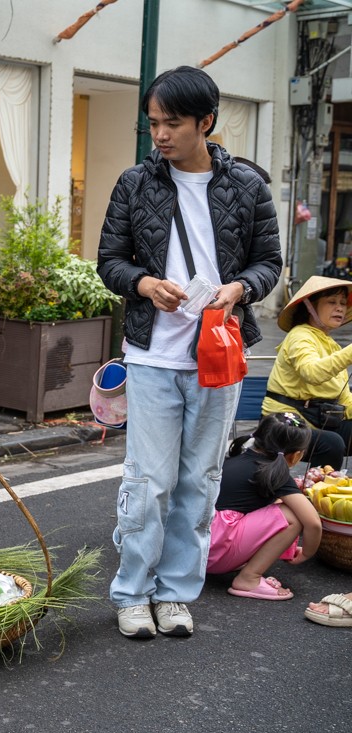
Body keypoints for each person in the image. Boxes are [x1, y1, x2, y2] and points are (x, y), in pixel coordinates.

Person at [96, 66, 283, 639]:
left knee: (198, 481)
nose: (160, 135)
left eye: (172, 123)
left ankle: (176, 592)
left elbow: (268, 262)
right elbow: (110, 260)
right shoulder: (135, 183)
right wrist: (145, 285)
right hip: (153, 353)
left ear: (206, 122)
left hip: (218, 356)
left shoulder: (248, 186)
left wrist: (240, 289)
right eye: (153, 123)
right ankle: (132, 592)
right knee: (148, 480)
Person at [208, 413, 320, 601]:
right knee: (292, 514)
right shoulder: (273, 473)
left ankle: (244, 566)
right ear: (296, 455)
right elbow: (313, 522)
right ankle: (249, 578)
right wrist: (307, 553)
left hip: (199, 549)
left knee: (278, 504)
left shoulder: (234, 459)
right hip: (216, 553)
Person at [260, 276, 352, 471]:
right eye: (332, 302)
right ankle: (315, 493)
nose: (340, 308)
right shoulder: (299, 336)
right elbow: (312, 372)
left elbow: (345, 400)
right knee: (331, 444)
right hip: (284, 422)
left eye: (343, 303)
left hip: (321, 420)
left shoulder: (332, 345)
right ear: (310, 306)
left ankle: (334, 493)